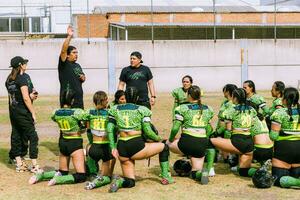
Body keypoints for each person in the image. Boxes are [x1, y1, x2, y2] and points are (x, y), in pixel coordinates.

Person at [106, 87, 173, 192]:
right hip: (136, 145)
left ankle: (119, 181)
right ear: (137, 97)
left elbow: (109, 128)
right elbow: (147, 130)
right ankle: (166, 177)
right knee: (164, 147)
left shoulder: (114, 109)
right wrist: (159, 139)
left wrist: (113, 147)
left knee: (130, 181)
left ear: (125, 97)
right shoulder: (142, 109)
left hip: (122, 147)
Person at [29, 90, 87, 185]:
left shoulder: (56, 112)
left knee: (63, 172)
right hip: (75, 143)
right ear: (72, 101)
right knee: (81, 176)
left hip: (63, 142)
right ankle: (58, 180)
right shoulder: (77, 112)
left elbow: (54, 118)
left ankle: (41, 175)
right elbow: (84, 122)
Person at [166, 85, 214, 184]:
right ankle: (202, 174)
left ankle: (165, 172)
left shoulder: (182, 108)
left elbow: (175, 128)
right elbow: (209, 129)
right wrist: (204, 139)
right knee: (195, 171)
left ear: (188, 95)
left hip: (187, 142)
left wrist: (170, 139)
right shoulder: (208, 109)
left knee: (164, 145)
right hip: (201, 143)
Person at [210, 88, 257, 177]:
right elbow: (253, 127)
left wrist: (226, 146)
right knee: (243, 171)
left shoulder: (231, 110)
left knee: (210, 141)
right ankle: (261, 171)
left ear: (234, 98)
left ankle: (209, 169)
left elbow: (228, 131)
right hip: (249, 143)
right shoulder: (252, 109)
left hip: (238, 141)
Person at [5, 56, 39, 172]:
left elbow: (15, 96)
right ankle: (35, 166)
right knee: (33, 136)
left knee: (17, 135)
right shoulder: (21, 78)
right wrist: (33, 113)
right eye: (24, 63)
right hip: (23, 112)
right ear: (20, 65)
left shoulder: (9, 79)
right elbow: (25, 98)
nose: (26, 64)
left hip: (13, 112)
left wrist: (31, 95)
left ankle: (19, 163)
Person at [269, 87, 300, 188]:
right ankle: (297, 181)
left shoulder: (279, 113)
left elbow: (273, 136)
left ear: (285, 99)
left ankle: (296, 182)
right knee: (295, 175)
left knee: (277, 180)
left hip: (284, 150)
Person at [85, 91, 116, 190]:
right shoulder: (109, 113)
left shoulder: (89, 113)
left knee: (88, 147)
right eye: (106, 99)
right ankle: (96, 183)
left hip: (93, 148)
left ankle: (93, 173)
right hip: (105, 148)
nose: (108, 101)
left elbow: (88, 131)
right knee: (106, 177)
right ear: (103, 101)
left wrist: (91, 142)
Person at [58, 25, 85, 109]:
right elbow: (63, 51)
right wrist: (69, 36)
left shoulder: (77, 65)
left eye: (77, 52)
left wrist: (83, 77)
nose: (76, 54)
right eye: (74, 52)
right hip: (68, 99)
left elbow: (83, 78)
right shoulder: (64, 63)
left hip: (79, 100)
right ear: (67, 55)